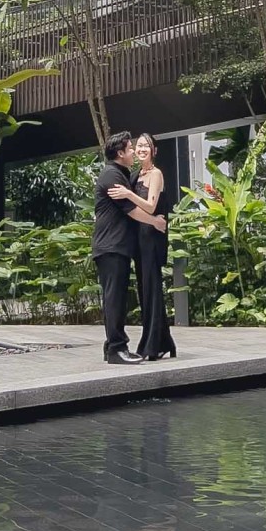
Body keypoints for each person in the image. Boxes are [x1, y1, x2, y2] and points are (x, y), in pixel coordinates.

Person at [93, 130, 165, 365]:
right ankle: (117, 348)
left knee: (117, 297)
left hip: (117, 247)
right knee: (115, 299)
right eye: (131, 148)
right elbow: (131, 210)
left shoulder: (124, 174)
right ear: (120, 153)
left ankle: (111, 348)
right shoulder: (112, 175)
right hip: (111, 246)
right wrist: (154, 221)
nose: (135, 151)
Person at [110, 132, 176, 360]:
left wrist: (128, 193)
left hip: (151, 238)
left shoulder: (156, 174)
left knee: (151, 289)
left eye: (146, 146)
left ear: (154, 150)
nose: (141, 149)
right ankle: (163, 342)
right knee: (145, 290)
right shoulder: (135, 174)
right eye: (138, 146)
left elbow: (150, 207)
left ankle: (151, 346)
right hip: (137, 238)